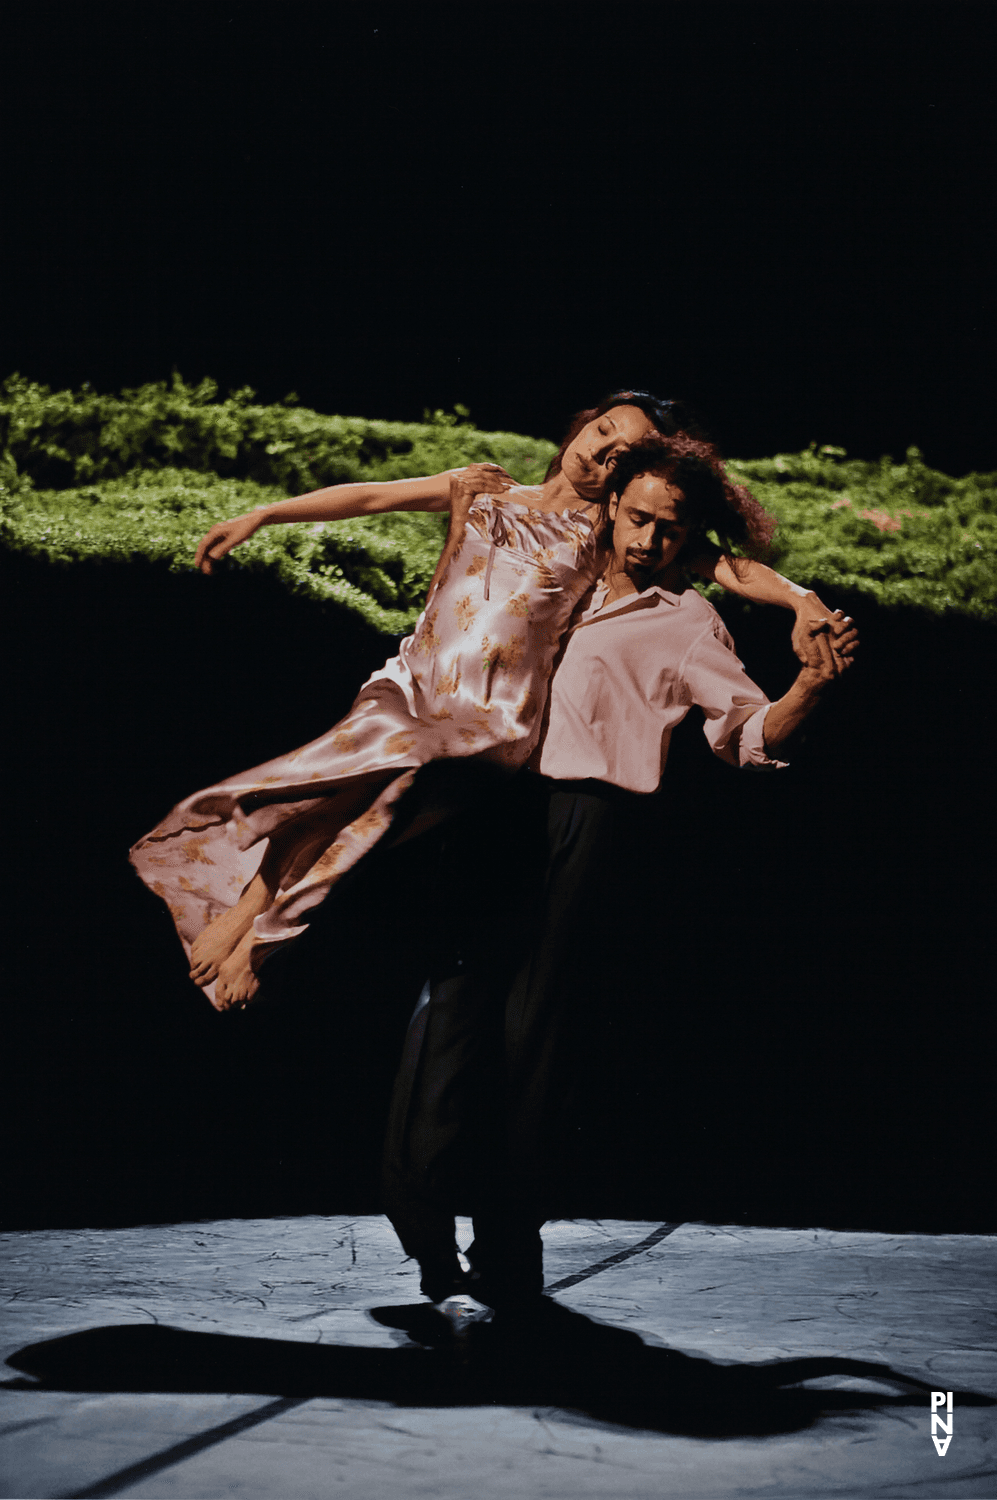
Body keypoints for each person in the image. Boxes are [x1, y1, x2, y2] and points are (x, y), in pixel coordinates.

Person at [130, 393, 844, 1011]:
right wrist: (264, 514)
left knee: (388, 793)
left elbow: (726, 565)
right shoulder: (485, 489)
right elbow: (370, 497)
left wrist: (799, 598)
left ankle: (265, 931)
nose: (600, 454)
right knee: (334, 785)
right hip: (414, 681)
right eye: (602, 432)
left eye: (619, 456)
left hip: (490, 716)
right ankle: (253, 913)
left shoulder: (606, 529)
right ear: (583, 424)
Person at [380, 433, 860, 1317]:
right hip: (491, 808)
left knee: (532, 1044)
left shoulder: (685, 622)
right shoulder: (550, 569)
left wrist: (808, 690)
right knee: (444, 1020)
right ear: (609, 506)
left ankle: (508, 1250)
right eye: (636, 517)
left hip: (586, 820)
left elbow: (744, 736)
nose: (647, 540)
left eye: (669, 529)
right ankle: (421, 1216)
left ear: (690, 537)